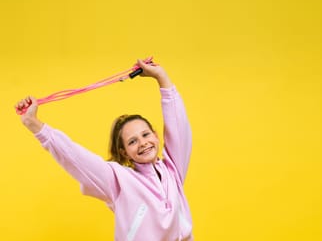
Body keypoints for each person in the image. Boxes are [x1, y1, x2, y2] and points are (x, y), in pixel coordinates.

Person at [15, 59, 193, 241]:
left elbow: (178, 127)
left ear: (156, 136)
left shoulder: (172, 172)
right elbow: (76, 157)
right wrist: (35, 125)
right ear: (124, 152)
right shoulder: (118, 179)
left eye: (146, 135)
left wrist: (161, 77)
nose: (142, 143)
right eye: (132, 141)